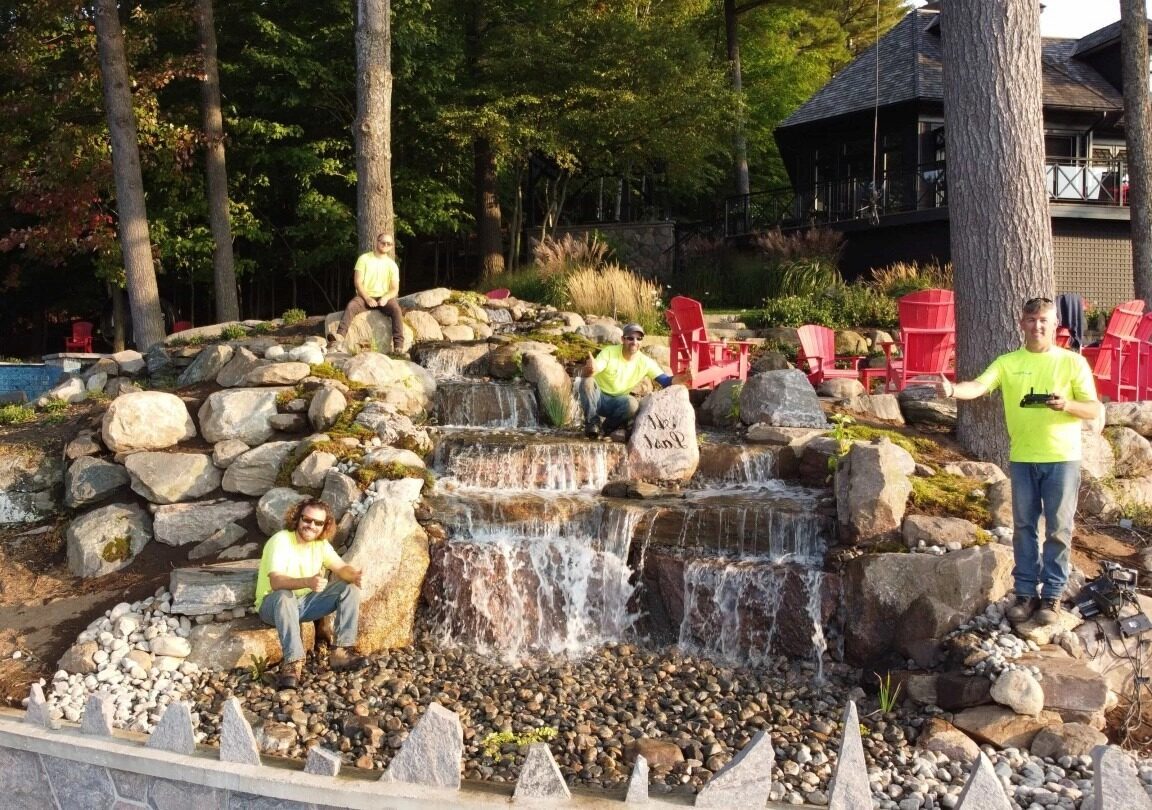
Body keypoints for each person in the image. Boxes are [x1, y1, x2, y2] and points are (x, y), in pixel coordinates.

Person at [938, 297, 1099, 626]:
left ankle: (1052, 596)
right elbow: (979, 385)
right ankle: (1025, 594)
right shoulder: (1008, 362)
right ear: (1021, 323)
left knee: (1059, 529)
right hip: (1023, 459)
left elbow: (1094, 409)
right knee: (1024, 528)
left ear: (1054, 325)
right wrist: (952, 390)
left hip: (1062, 459)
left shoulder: (1073, 363)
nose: (1037, 326)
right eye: (1031, 320)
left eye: (1043, 320)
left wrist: (1067, 405)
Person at [255, 498, 368, 688]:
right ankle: (293, 663)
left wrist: (354, 576)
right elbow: (276, 582)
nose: (312, 526)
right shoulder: (281, 540)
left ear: (325, 526)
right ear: (297, 518)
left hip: (304, 604)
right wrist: (307, 581)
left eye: (318, 523)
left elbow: (341, 568)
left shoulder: (320, 545)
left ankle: (340, 652)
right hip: (273, 605)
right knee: (284, 596)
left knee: (349, 589)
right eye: (307, 520)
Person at [579, 323, 691, 440]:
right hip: (597, 398)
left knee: (633, 404)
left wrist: (683, 378)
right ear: (623, 339)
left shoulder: (646, 362)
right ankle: (592, 424)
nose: (634, 342)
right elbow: (594, 370)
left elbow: (666, 381)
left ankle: (605, 429)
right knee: (587, 381)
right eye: (630, 338)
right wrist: (590, 370)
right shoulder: (609, 352)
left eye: (639, 338)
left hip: (618, 403)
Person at [331, 232, 405, 354]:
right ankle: (339, 338)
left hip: (383, 298)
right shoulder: (364, 259)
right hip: (364, 296)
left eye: (389, 244)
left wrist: (386, 298)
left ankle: (398, 346)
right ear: (377, 242)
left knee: (396, 310)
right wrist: (367, 298)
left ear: (392, 246)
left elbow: (394, 289)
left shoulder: (392, 265)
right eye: (383, 242)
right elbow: (358, 282)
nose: (385, 245)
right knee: (351, 306)